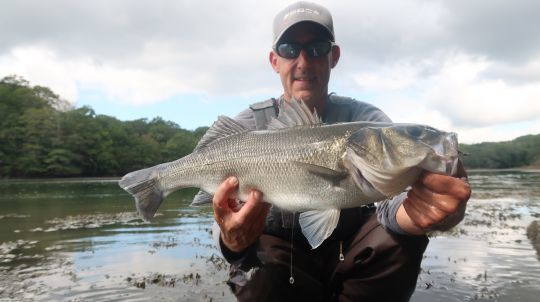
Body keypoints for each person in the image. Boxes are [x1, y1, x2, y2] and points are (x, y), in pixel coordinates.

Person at [209, 2, 471, 301]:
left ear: (334, 56)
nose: (304, 61)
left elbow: (394, 205)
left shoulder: (369, 122)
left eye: (318, 47)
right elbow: (220, 207)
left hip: (352, 256)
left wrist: (423, 213)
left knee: (399, 239)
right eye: (290, 49)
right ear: (274, 60)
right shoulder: (246, 127)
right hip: (281, 263)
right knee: (257, 264)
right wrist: (232, 240)